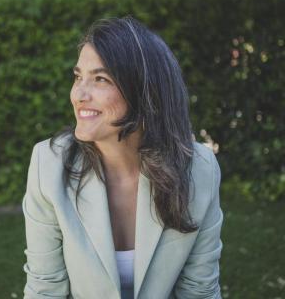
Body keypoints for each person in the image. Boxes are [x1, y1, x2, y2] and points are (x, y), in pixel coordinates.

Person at [22, 17, 223, 299]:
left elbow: (199, 292)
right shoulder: (49, 164)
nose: (78, 94)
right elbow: (45, 290)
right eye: (78, 77)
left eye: (100, 79)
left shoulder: (199, 169)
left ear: (144, 91)